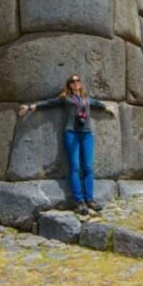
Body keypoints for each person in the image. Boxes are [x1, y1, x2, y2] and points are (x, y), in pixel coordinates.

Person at [18, 74, 117, 216]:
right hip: (71, 133)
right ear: (69, 84)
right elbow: (49, 103)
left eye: (78, 80)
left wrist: (108, 108)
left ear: (81, 83)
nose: (76, 83)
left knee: (88, 167)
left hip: (86, 134)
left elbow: (98, 104)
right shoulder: (66, 98)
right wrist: (30, 107)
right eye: (73, 81)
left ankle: (90, 199)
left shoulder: (86, 99)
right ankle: (79, 201)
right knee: (75, 168)